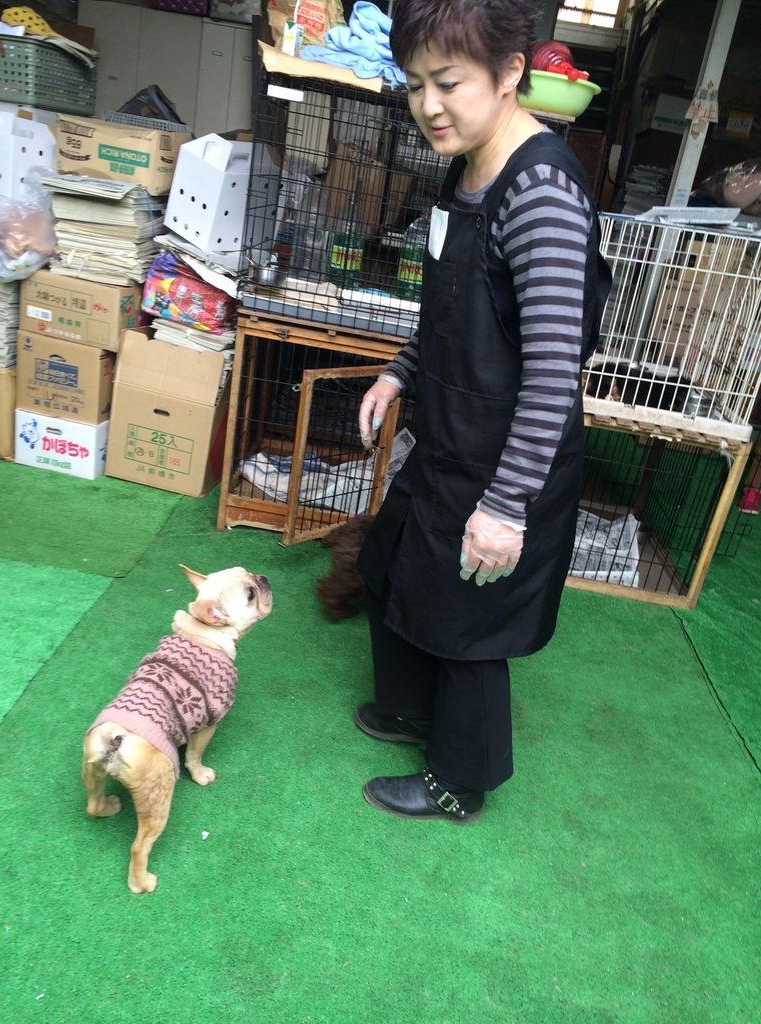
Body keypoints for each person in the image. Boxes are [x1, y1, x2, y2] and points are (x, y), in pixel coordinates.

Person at [354, 0, 611, 822]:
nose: (428, 105)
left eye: (448, 82)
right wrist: (397, 374)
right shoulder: (463, 169)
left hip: (510, 456)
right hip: (449, 436)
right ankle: (409, 710)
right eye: (415, 85)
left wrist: (505, 508)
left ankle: (460, 781)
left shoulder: (539, 193)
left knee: (469, 616)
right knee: (393, 562)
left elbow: (553, 370)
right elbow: (451, 311)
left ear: (509, 74)